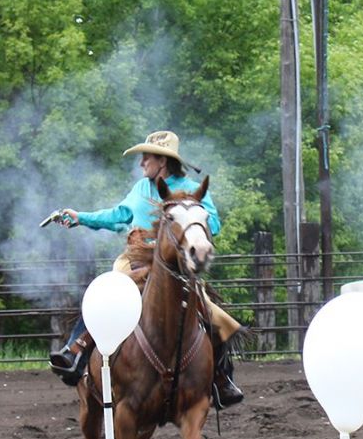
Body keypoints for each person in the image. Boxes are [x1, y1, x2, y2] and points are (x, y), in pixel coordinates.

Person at [49, 130, 245, 407]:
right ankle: (75, 350)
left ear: (162, 162)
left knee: (213, 313)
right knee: (108, 293)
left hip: (175, 265)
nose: (142, 163)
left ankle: (221, 378)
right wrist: (81, 218)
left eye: (146, 158)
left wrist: (190, 228)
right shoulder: (141, 188)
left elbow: (213, 223)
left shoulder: (192, 189)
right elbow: (119, 216)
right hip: (136, 257)